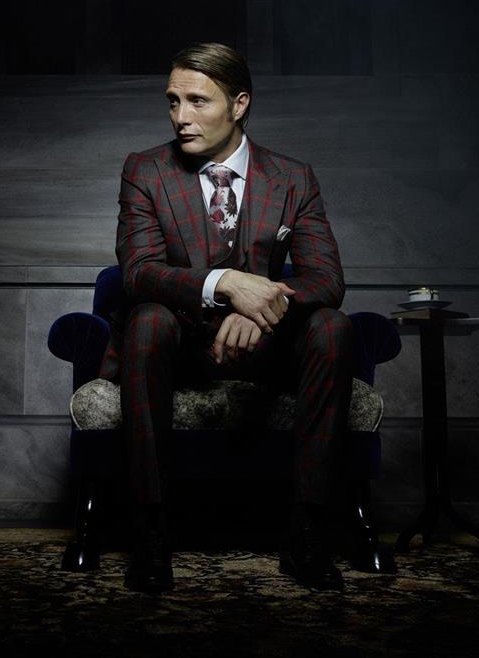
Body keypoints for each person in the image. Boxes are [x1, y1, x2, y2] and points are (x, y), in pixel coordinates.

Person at [97, 42, 352, 593]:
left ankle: (307, 533)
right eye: (172, 101)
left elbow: (327, 280)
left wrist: (264, 308)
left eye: (197, 101)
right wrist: (227, 284)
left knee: (332, 327)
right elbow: (139, 272)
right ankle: (151, 534)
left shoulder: (293, 177)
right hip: (180, 347)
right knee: (146, 318)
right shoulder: (146, 170)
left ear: (239, 104)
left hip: (267, 350)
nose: (180, 117)